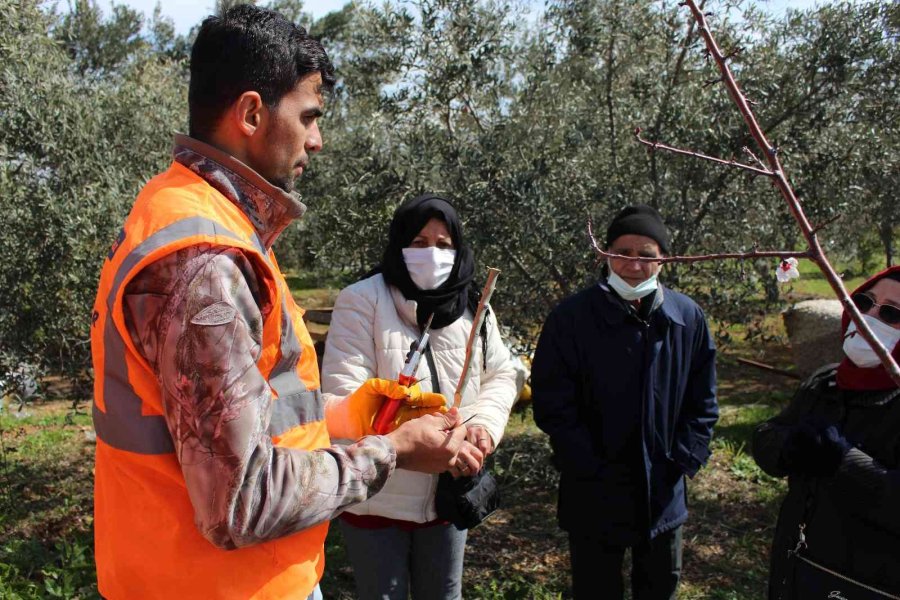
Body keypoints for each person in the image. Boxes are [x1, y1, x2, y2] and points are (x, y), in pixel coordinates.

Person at [89, 7, 472, 599]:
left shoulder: (184, 214)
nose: (317, 141)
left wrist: (355, 418)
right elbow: (240, 502)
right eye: (309, 117)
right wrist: (389, 452)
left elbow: (247, 421)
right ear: (249, 113)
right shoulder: (206, 262)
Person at [321, 193, 519, 600]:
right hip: (377, 498)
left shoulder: (474, 310)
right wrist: (434, 442)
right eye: (419, 243)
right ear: (399, 245)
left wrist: (482, 426)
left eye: (444, 245)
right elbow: (346, 397)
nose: (432, 254)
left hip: (449, 494)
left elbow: (503, 372)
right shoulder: (362, 300)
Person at [531, 204, 719, 600]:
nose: (633, 265)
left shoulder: (686, 317)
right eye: (622, 253)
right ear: (606, 254)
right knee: (596, 589)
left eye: (646, 255)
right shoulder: (571, 318)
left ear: (663, 259)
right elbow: (552, 403)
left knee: (660, 587)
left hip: (663, 492)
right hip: (593, 492)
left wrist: (683, 459)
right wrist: (585, 462)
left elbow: (703, 399)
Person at [752, 266, 900, 599]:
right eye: (864, 302)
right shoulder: (825, 381)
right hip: (795, 571)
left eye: (891, 313)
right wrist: (787, 446)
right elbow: (767, 435)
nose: (868, 317)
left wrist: (844, 462)